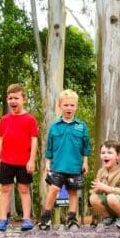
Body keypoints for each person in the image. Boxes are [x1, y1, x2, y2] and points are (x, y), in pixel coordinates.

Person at [39, 89, 90, 230]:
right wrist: (47, 164)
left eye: (72, 105)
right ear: (59, 106)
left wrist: (85, 162)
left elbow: (86, 147)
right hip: (57, 166)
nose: (69, 108)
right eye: (66, 105)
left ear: (76, 107)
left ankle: (72, 219)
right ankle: (45, 218)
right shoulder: (54, 127)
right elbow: (49, 148)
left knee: (73, 192)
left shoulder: (81, 126)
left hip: (75, 166)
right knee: (53, 189)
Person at [0, 84, 39, 231]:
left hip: (23, 161)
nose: (13, 101)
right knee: (5, 189)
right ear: (7, 100)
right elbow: (1, 139)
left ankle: (26, 219)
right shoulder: (5, 119)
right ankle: (2, 219)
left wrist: (31, 160)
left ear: (23, 99)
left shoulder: (30, 119)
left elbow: (34, 140)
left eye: (16, 98)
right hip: (6, 160)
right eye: (10, 98)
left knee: (24, 189)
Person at [90, 140, 120, 228]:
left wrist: (106, 188)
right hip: (108, 204)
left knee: (111, 197)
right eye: (103, 153)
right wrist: (96, 190)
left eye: (110, 153)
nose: (105, 155)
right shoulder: (101, 172)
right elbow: (93, 190)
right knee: (93, 198)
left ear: (118, 156)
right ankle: (109, 218)